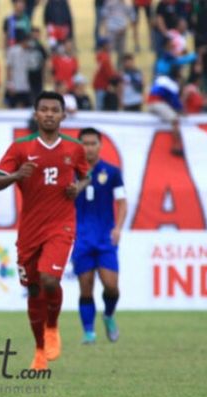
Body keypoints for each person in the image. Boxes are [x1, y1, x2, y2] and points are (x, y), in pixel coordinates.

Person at [0, 91, 90, 370]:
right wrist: (15, 176)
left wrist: (77, 188)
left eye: (54, 110)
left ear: (63, 115)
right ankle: (38, 349)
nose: (48, 114)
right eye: (43, 109)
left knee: (48, 279)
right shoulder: (20, 148)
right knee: (33, 289)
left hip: (61, 224)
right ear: (36, 114)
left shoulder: (74, 148)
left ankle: (53, 328)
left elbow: (86, 176)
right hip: (29, 231)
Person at [72, 128, 126, 345]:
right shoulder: (71, 172)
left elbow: (122, 202)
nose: (89, 147)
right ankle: (88, 332)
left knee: (111, 286)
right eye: (85, 143)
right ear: (79, 146)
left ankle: (109, 315)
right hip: (80, 238)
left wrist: (118, 228)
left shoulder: (111, 172)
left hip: (105, 238)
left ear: (100, 145)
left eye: (93, 143)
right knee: (85, 287)